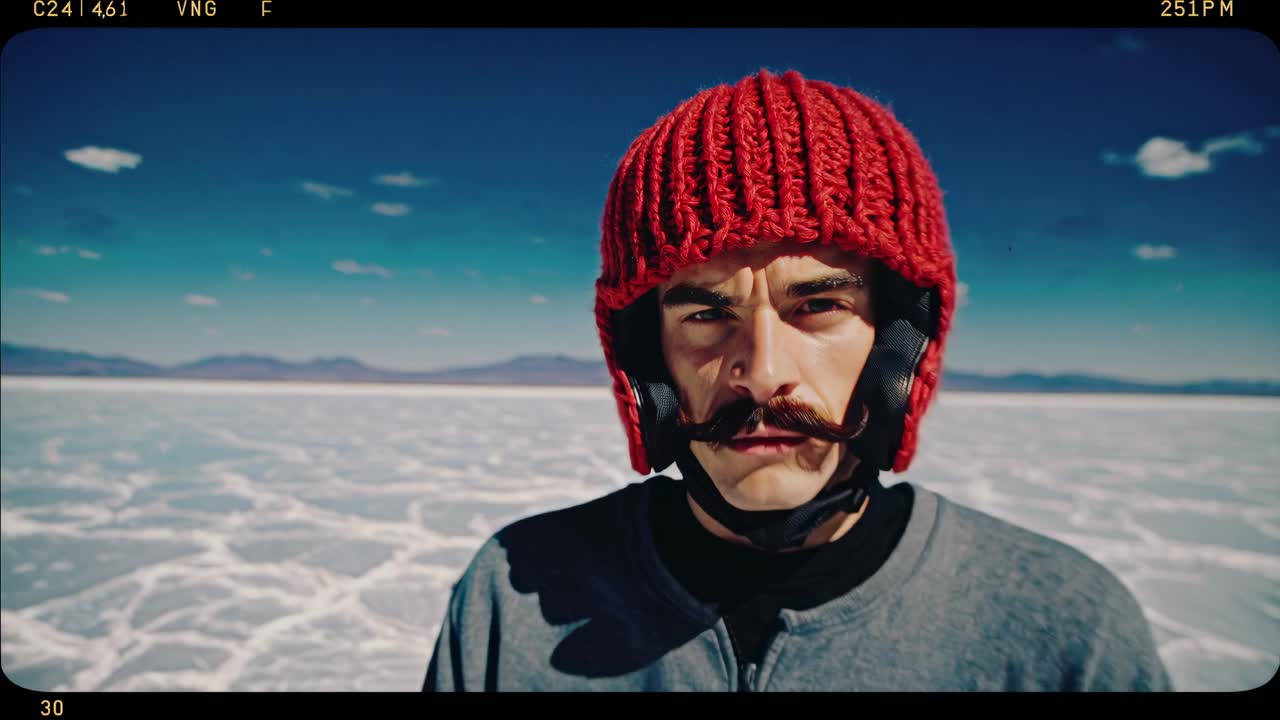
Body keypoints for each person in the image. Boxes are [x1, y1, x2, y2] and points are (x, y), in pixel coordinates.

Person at [421, 69, 1173, 692]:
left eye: (817, 306)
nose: (762, 373)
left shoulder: (1065, 630)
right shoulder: (511, 600)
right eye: (706, 315)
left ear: (899, 342)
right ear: (647, 356)